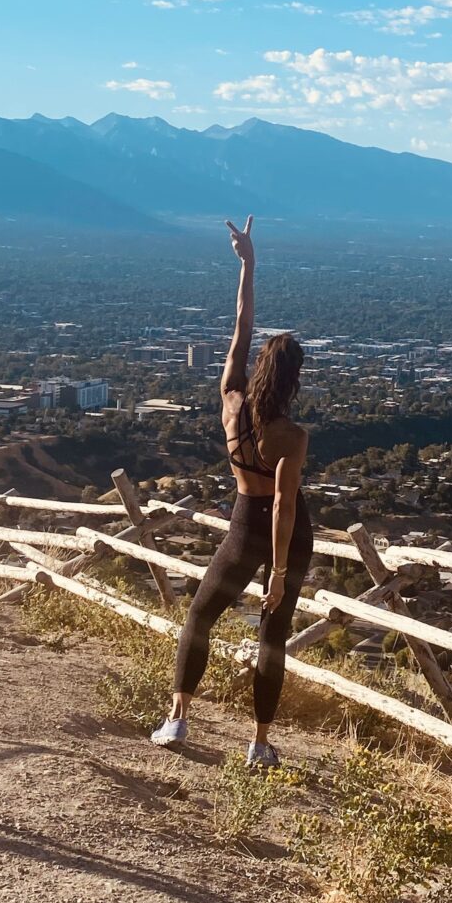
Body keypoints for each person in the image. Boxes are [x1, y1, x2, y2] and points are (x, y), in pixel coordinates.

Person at [151, 215, 312, 768]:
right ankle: (260, 743)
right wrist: (281, 572)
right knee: (273, 634)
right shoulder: (292, 435)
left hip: (242, 523)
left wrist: (248, 265)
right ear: (293, 381)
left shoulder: (230, 400)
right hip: (282, 537)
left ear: (258, 368)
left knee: (201, 615)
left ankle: (177, 718)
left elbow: (241, 328)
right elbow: (285, 507)